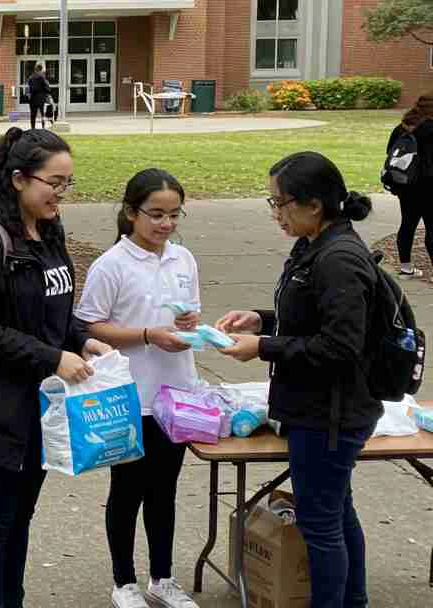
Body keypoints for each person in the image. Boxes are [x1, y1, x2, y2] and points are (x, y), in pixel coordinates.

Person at [0, 127, 111, 608]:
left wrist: (82, 339)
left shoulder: (49, 231)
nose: (61, 193)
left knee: (20, 516)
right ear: (18, 179)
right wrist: (52, 357)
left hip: (43, 406)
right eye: (53, 182)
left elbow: (54, 310)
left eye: (68, 183)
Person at [217, 151, 382, 608]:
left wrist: (263, 347)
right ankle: (353, 601)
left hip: (331, 413)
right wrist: (262, 320)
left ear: (313, 204)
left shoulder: (339, 258)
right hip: (316, 407)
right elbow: (310, 319)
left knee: (321, 524)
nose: (275, 212)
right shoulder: (314, 245)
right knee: (335, 512)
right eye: (271, 202)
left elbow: (340, 346)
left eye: (280, 202)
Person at [75, 169, 202, 608]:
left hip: (176, 394)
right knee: (128, 490)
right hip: (130, 396)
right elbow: (90, 326)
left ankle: (162, 577)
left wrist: (189, 324)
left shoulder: (183, 259)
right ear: (132, 212)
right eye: (156, 214)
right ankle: (123, 581)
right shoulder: (112, 265)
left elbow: (190, 317)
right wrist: (148, 335)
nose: (166, 224)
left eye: (174, 214)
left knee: (165, 491)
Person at [388, 93, 433, 279]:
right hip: (429, 185)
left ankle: (406, 269)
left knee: (407, 224)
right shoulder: (430, 128)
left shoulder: (402, 127)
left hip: (405, 185)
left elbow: (390, 152)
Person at [26, 64, 53, 130]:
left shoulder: (30, 77)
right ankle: (43, 127)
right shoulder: (42, 78)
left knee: (33, 115)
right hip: (41, 98)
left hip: (33, 99)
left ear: (35, 69)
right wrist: (48, 92)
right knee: (42, 114)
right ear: (41, 69)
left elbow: (29, 88)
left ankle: (33, 128)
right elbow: (47, 88)